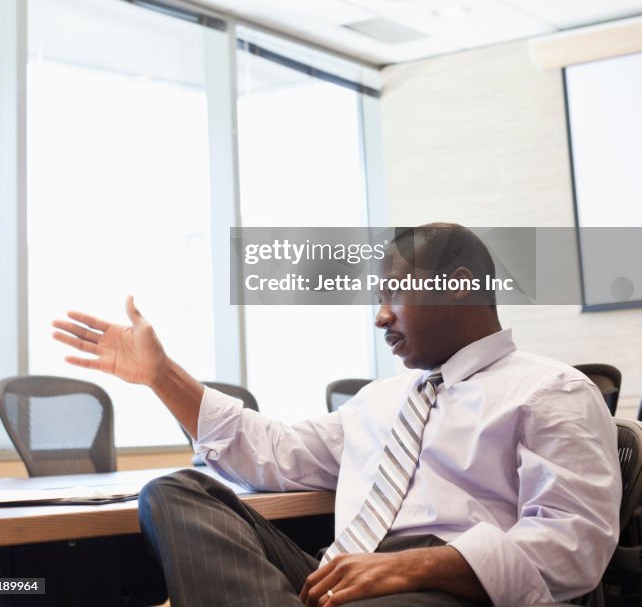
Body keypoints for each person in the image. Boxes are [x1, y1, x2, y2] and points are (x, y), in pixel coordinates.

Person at [52, 223, 621, 607]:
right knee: (176, 492)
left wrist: (411, 568)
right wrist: (161, 375)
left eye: (393, 294)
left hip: (449, 587)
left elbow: (573, 546)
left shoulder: (552, 391)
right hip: (342, 577)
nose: (379, 317)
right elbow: (272, 454)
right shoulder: (379, 401)